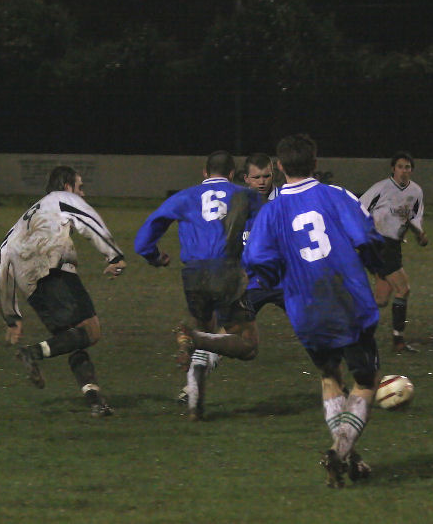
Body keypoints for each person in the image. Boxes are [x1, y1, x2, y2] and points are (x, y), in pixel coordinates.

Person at [243, 134, 383, 488]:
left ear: (278, 167)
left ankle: (347, 455)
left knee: (329, 376)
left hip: (305, 306)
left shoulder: (270, 211)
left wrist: (276, 275)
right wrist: (379, 272)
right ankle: (339, 450)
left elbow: (257, 258)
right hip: (347, 299)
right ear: (315, 163)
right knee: (366, 381)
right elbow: (365, 235)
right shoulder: (335, 195)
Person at [134, 151, 262, 421]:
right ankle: (195, 338)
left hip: (193, 274)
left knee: (202, 323)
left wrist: (154, 256)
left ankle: (195, 407)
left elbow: (145, 235)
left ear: (204, 172)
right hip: (227, 270)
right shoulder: (246, 195)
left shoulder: (185, 196)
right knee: (248, 345)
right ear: (231, 174)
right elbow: (258, 232)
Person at [0, 165, 126, 417]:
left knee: (71, 340)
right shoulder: (62, 199)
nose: (82, 194)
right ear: (67, 187)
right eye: (80, 187)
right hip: (54, 269)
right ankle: (31, 353)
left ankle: (95, 400)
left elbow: (3, 256)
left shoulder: (23, 220)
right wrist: (114, 255)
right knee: (91, 331)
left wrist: (11, 316)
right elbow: (89, 220)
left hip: (30, 284)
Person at [177, 153, 286, 404]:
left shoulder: (284, 201)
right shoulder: (236, 202)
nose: (262, 182)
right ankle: (192, 387)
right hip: (248, 282)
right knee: (225, 335)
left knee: (311, 324)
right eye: (256, 177)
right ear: (245, 178)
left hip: (283, 279)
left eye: (267, 176)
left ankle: (337, 381)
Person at [359, 151, 427, 354]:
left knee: (381, 300)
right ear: (393, 168)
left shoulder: (416, 191)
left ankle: (348, 320)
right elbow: (359, 207)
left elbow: (414, 217)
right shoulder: (382, 188)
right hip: (379, 244)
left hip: (394, 246)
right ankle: (398, 341)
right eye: (400, 167)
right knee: (403, 288)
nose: (404, 171)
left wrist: (420, 233)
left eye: (407, 167)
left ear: (411, 170)